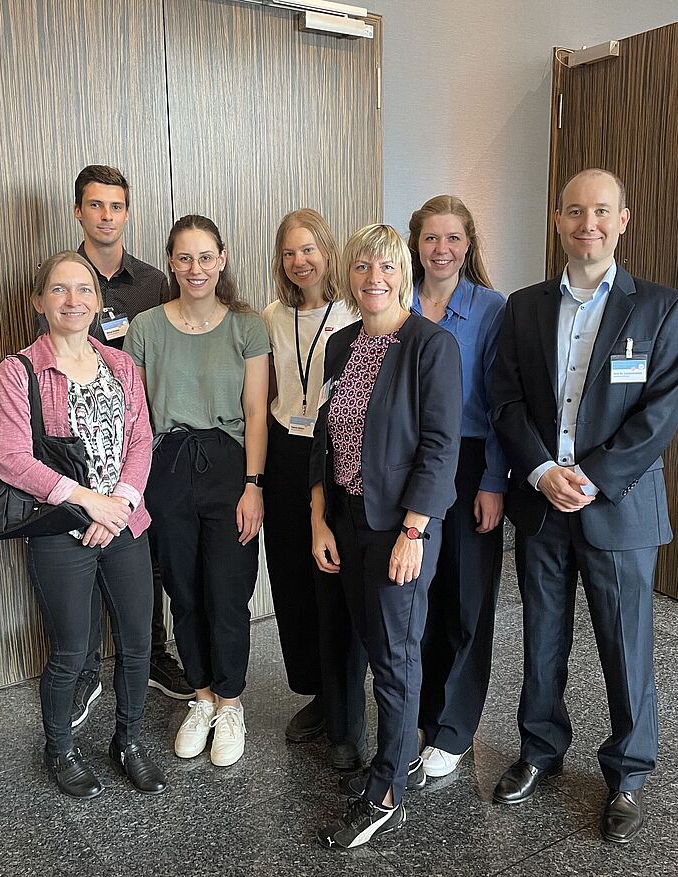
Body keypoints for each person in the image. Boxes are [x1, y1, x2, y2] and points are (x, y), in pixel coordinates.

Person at [489, 169, 678, 843]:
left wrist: (594, 477)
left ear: (623, 219)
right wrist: (544, 470)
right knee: (541, 637)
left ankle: (628, 773)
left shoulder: (661, 308)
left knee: (626, 646)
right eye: (575, 211)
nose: (588, 223)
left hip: (620, 507)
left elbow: (660, 415)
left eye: (601, 211)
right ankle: (540, 751)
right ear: (558, 220)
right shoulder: (524, 307)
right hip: (544, 503)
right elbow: (506, 400)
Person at [0, 251, 166, 799]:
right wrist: (91, 502)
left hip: (125, 524)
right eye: (60, 291)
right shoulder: (18, 371)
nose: (73, 301)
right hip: (60, 531)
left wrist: (121, 504)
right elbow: (13, 459)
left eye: (84, 290)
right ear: (39, 302)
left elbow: (140, 440)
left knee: (138, 644)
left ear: (98, 300)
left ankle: (129, 740)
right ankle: (60, 748)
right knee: (71, 650)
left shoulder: (120, 366)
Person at [310, 224, 462, 849]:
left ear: (404, 273)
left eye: (387, 266)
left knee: (397, 661)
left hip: (400, 527)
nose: (374, 278)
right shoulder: (342, 342)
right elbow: (324, 434)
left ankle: (389, 793)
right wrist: (320, 515)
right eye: (363, 266)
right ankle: (390, 763)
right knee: (374, 648)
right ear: (349, 276)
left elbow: (439, 447)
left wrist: (414, 532)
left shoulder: (432, 346)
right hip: (347, 519)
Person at [124, 214, 270, 768]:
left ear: (223, 258)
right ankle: (202, 695)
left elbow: (256, 413)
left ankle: (231, 702)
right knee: (182, 590)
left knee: (228, 592)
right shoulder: (145, 328)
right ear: (170, 263)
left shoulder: (246, 326)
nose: (195, 268)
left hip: (230, 465)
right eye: (184, 258)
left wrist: (254, 485)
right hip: (166, 465)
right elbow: (137, 417)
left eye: (205, 256)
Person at [69, 165, 192, 733]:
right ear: (79, 213)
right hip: (75, 443)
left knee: (149, 550)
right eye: (95, 205)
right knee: (82, 548)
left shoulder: (152, 282)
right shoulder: (64, 277)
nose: (106, 216)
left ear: (127, 213)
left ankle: (155, 652)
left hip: (139, 437)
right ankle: (86, 670)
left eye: (116, 206)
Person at [262, 209, 367, 768]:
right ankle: (314, 690)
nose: (299, 261)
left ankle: (342, 698)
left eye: (308, 249)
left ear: (327, 251)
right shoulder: (273, 316)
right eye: (288, 252)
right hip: (284, 450)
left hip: (334, 452)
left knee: (333, 574)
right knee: (290, 573)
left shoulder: (355, 312)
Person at [407, 196, 507, 777]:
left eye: (453, 239)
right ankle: (419, 710)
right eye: (430, 238)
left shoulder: (490, 308)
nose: (441, 249)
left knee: (467, 599)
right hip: (410, 464)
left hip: (470, 463)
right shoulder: (397, 302)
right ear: (415, 243)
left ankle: (454, 726)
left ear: (468, 246)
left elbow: (499, 403)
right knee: (418, 593)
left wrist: (493, 480)